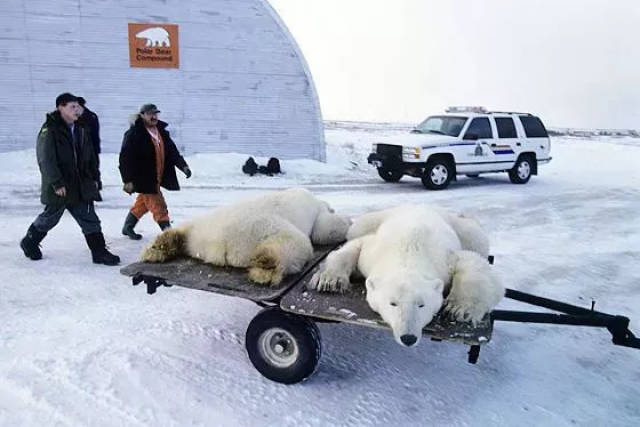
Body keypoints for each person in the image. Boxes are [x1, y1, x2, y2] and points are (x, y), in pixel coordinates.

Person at [19, 93, 120, 265]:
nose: (77, 110)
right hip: (62, 184)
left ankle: (99, 252)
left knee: (89, 217)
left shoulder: (81, 128)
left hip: (81, 183)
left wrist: (95, 177)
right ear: (60, 107)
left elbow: (90, 156)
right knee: (50, 217)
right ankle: (29, 242)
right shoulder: (50, 129)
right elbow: (46, 159)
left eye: (78, 107)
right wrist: (56, 182)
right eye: (72, 107)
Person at [119, 104, 191, 240]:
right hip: (143, 177)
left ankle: (127, 227)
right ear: (142, 115)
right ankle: (169, 235)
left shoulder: (161, 132)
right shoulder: (134, 134)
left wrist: (183, 166)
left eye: (155, 113)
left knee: (142, 203)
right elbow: (125, 158)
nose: (154, 117)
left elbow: (172, 152)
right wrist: (127, 180)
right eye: (150, 114)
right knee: (159, 206)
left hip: (158, 176)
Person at [76, 97, 102, 190]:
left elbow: (95, 134)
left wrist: (96, 149)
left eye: (77, 106)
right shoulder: (74, 117)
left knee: (92, 167)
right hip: (79, 148)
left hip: (91, 147)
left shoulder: (91, 116)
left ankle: (95, 184)